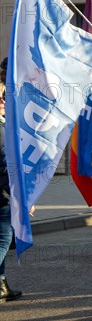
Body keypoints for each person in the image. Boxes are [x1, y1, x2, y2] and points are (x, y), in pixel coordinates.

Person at [0, 81, 22, 304]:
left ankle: (2, 285)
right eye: (0, 99)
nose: (4, 102)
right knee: (3, 241)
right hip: (2, 197)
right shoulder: (1, 130)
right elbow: (6, 170)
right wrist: (19, 198)